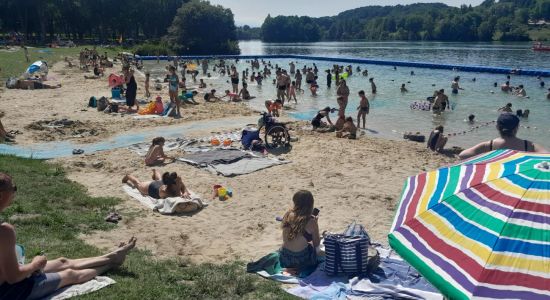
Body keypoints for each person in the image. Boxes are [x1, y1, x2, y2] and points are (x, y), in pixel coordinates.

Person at [0, 173, 137, 300]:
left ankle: (111, 256)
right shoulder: (5, 231)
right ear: (1, 195)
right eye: (13, 188)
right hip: (10, 291)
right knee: (70, 274)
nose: (14, 192)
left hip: (10, 275)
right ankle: (111, 264)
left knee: (62, 262)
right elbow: (13, 277)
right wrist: (35, 264)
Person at [458, 113, 546, 159]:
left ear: (497, 127)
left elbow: (463, 155)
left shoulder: (489, 145)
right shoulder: (529, 146)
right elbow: (547, 156)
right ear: (517, 127)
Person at [279, 190, 320, 273]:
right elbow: (317, 244)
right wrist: (315, 224)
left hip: (285, 258)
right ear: (310, 204)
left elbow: (285, 239)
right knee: (312, 248)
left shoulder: (287, 214)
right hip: (302, 261)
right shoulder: (311, 221)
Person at [122, 170, 190, 199]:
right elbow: (176, 195)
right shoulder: (165, 191)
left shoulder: (176, 180)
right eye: (178, 181)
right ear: (172, 184)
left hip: (161, 183)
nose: (180, 181)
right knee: (138, 183)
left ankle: (154, 171)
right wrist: (183, 192)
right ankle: (128, 176)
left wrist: (185, 192)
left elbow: (182, 185)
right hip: (150, 188)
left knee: (160, 179)